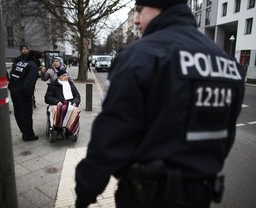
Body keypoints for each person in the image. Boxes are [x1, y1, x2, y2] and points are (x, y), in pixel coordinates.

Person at [75, 0, 245, 208]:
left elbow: (109, 138)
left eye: (139, 10)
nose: (136, 19)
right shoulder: (228, 64)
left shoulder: (139, 56)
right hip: (201, 195)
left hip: (146, 197)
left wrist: (85, 190)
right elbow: (224, 136)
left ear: (161, 7)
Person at [8, 45, 40, 141]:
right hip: (22, 92)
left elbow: (12, 74)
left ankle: (24, 132)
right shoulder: (33, 66)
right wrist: (28, 96)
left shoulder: (20, 62)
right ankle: (28, 135)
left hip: (13, 89)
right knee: (26, 113)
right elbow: (29, 83)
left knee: (18, 112)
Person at [45, 69, 81, 142]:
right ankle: (59, 130)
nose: (66, 77)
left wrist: (75, 102)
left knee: (73, 110)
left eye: (66, 75)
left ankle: (69, 129)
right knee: (58, 110)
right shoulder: (53, 85)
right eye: (64, 75)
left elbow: (77, 95)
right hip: (57, 104)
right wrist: (57, 102)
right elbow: (47, 97)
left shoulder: (70, 84)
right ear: (59, 77)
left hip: (70, 103)